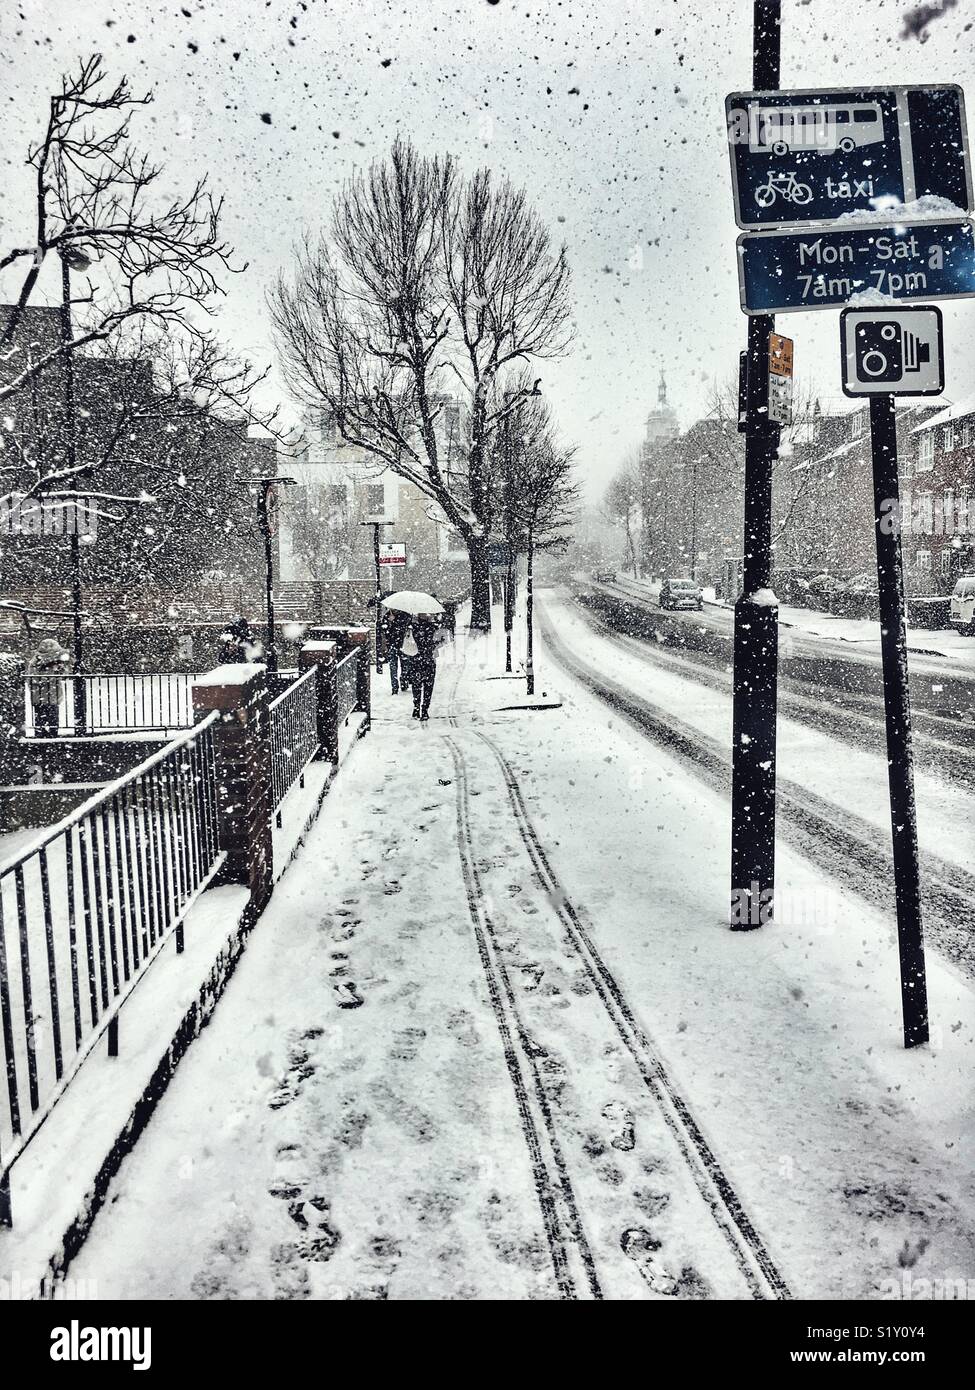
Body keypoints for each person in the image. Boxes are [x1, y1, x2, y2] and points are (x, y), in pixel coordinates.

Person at [27, 637, 69, 737]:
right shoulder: (36, 662)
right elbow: (35, 678)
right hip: (44, 696)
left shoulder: (38, 661)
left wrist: (59, 670)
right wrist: (53, 674)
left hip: (46, 696)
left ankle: (46, 736)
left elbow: (64, 675)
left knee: (47, 720)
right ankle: (45, 737)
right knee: (46, 720)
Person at [409, 614, 439, 722]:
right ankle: (423, 709)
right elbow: (435, 644)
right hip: (426, 659)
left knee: (418, 685)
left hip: (418, 659)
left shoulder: (413, 627)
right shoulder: (431, 628)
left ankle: (418, 707)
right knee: (427, 685)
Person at [381, 606, 412, 695]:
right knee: (393, 667)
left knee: (405, 665)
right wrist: (390, 623)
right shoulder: (387, 616)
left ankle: (404, 681)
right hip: (392, 645)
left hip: (403, 644)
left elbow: (408, 628)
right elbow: (384, 630)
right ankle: (394, 688)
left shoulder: (405, 615)